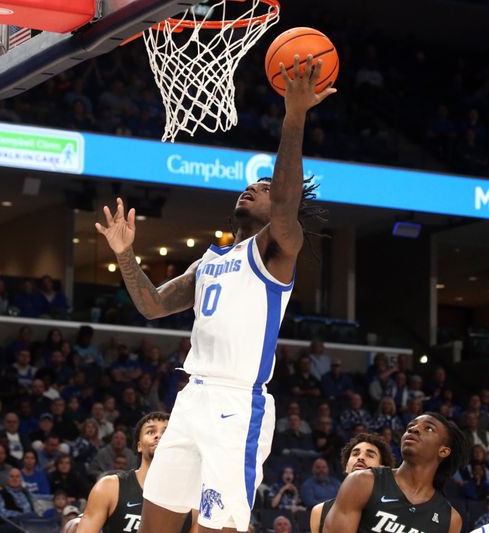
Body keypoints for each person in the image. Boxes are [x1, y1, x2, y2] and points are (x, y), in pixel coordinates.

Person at [94, 54, 334, 533]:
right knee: (153, 525)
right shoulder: (210, 260)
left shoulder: (278, 249)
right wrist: (124, 253)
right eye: (251, 184)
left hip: (236, 404)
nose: (252, 188)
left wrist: (294, 115)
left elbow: (287, 205)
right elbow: (153, 305)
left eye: (263, 187)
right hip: (192, 397)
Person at [323, 412, 468, 533]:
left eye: (428, 428)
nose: (414, 429)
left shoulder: (450, 519)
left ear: (443, 451)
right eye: (410, 426)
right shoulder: (363, 481)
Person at [75, 412, 196, 533]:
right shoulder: (110, 487)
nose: (159, 435)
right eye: (151, 432)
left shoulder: (193, 503)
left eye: (166, 433)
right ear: (139, 446)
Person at [310, 433, 393, 533]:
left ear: (382, 469)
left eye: (370, 455)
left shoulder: (395, 510)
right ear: (346, 467)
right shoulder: (319, 511)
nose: (360, 458)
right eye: (355, 454)